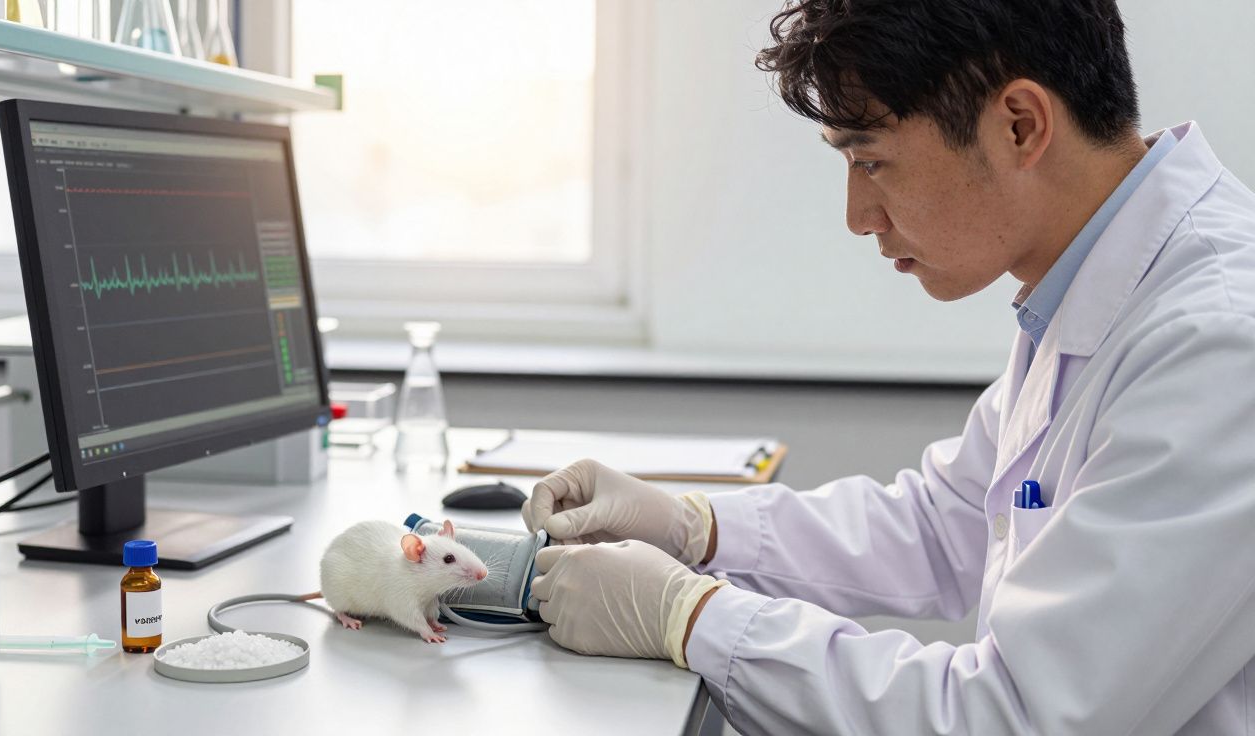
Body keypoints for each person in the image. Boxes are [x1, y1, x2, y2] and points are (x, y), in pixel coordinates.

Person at [522, 1, 1255, 733]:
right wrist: (694, 528)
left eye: (871, 160)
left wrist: (689, 617)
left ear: (1020, 126)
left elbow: (1011, 716)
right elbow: (946, 524)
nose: (858, 214)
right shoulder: (1093, 278)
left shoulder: (1216, 344)